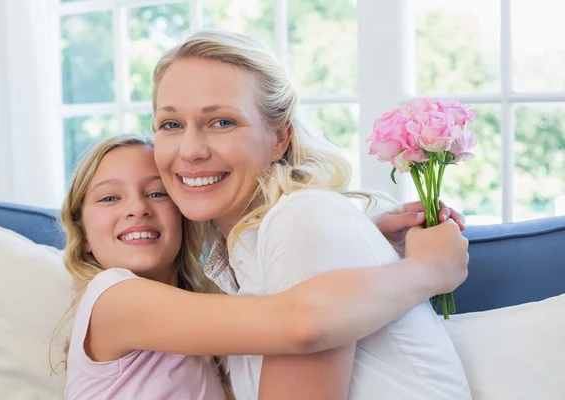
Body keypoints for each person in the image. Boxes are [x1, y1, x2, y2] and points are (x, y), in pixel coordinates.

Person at [152, 30, 472, 399]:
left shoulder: (304, 217)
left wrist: (428, 269)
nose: (190, 150)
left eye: (222, 122)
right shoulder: (244, 254)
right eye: (171, 124)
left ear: (279, 139)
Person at [61, 133, 468, 400]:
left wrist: (365, 237)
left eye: (156, 193)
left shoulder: (203, 309)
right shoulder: (114, 299)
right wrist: (429, 270)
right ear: (81, 224)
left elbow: (277, 297)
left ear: (183, 212)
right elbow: (301, 322)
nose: (137, 209)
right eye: (109, 199)